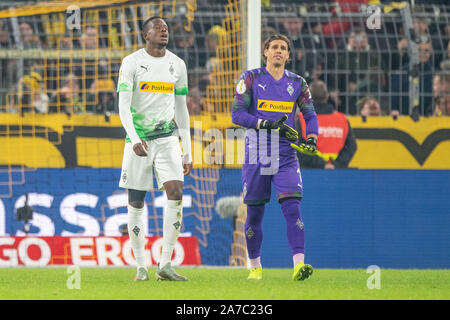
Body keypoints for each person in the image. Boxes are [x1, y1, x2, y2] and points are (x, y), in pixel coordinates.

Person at [231, 33, 318, 281]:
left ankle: (299, 265)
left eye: (283, 48)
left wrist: (311, 138)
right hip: (257, 152)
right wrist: (265, 124)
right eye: (274, 47)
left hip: (286, 154)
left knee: (293, 208)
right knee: (255, 214)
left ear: (288, 55)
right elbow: (237, 115)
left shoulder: (298, 83)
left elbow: (310, 115)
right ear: (266, 52)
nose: (278, 51)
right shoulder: (250, 78)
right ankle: (255, 266)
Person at [117, 16, 192, 281]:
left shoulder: (177, 65)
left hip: (168, 138)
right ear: (145, 34)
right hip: (139, 142)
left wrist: (187, 150)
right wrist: (134, 137)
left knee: (176, 191)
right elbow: (123, 106)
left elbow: (181, 109)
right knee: (136, 201)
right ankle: (140, 267)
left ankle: (165, 264)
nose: (164, 31)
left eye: (166, 29)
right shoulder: (132, 63)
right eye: (157, 28)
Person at [296, 80, 357, 169]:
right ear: (327, 97)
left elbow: (297, 148)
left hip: (310, 173)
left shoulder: (301, 119)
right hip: (337, 172)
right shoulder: (342, 119)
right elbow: (351, 146)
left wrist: (321, 165)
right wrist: (337, 165)